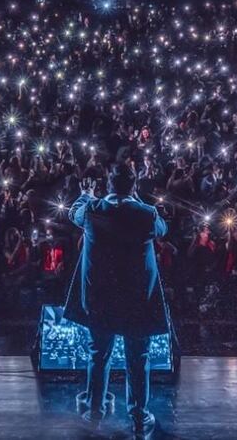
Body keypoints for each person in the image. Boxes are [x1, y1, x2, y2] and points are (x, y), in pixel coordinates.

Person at [64, 163, 168, 437]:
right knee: (138, 359)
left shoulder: (92, 210)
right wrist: (137, 200)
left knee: (99, 355)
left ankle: (95, 412)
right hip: (137, 302)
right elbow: (163, 229)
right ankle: (138, 417)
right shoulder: (147, 214)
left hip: (100, 300)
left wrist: (85, 194)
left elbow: (72, 212)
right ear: (132, 186)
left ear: (108, 185)